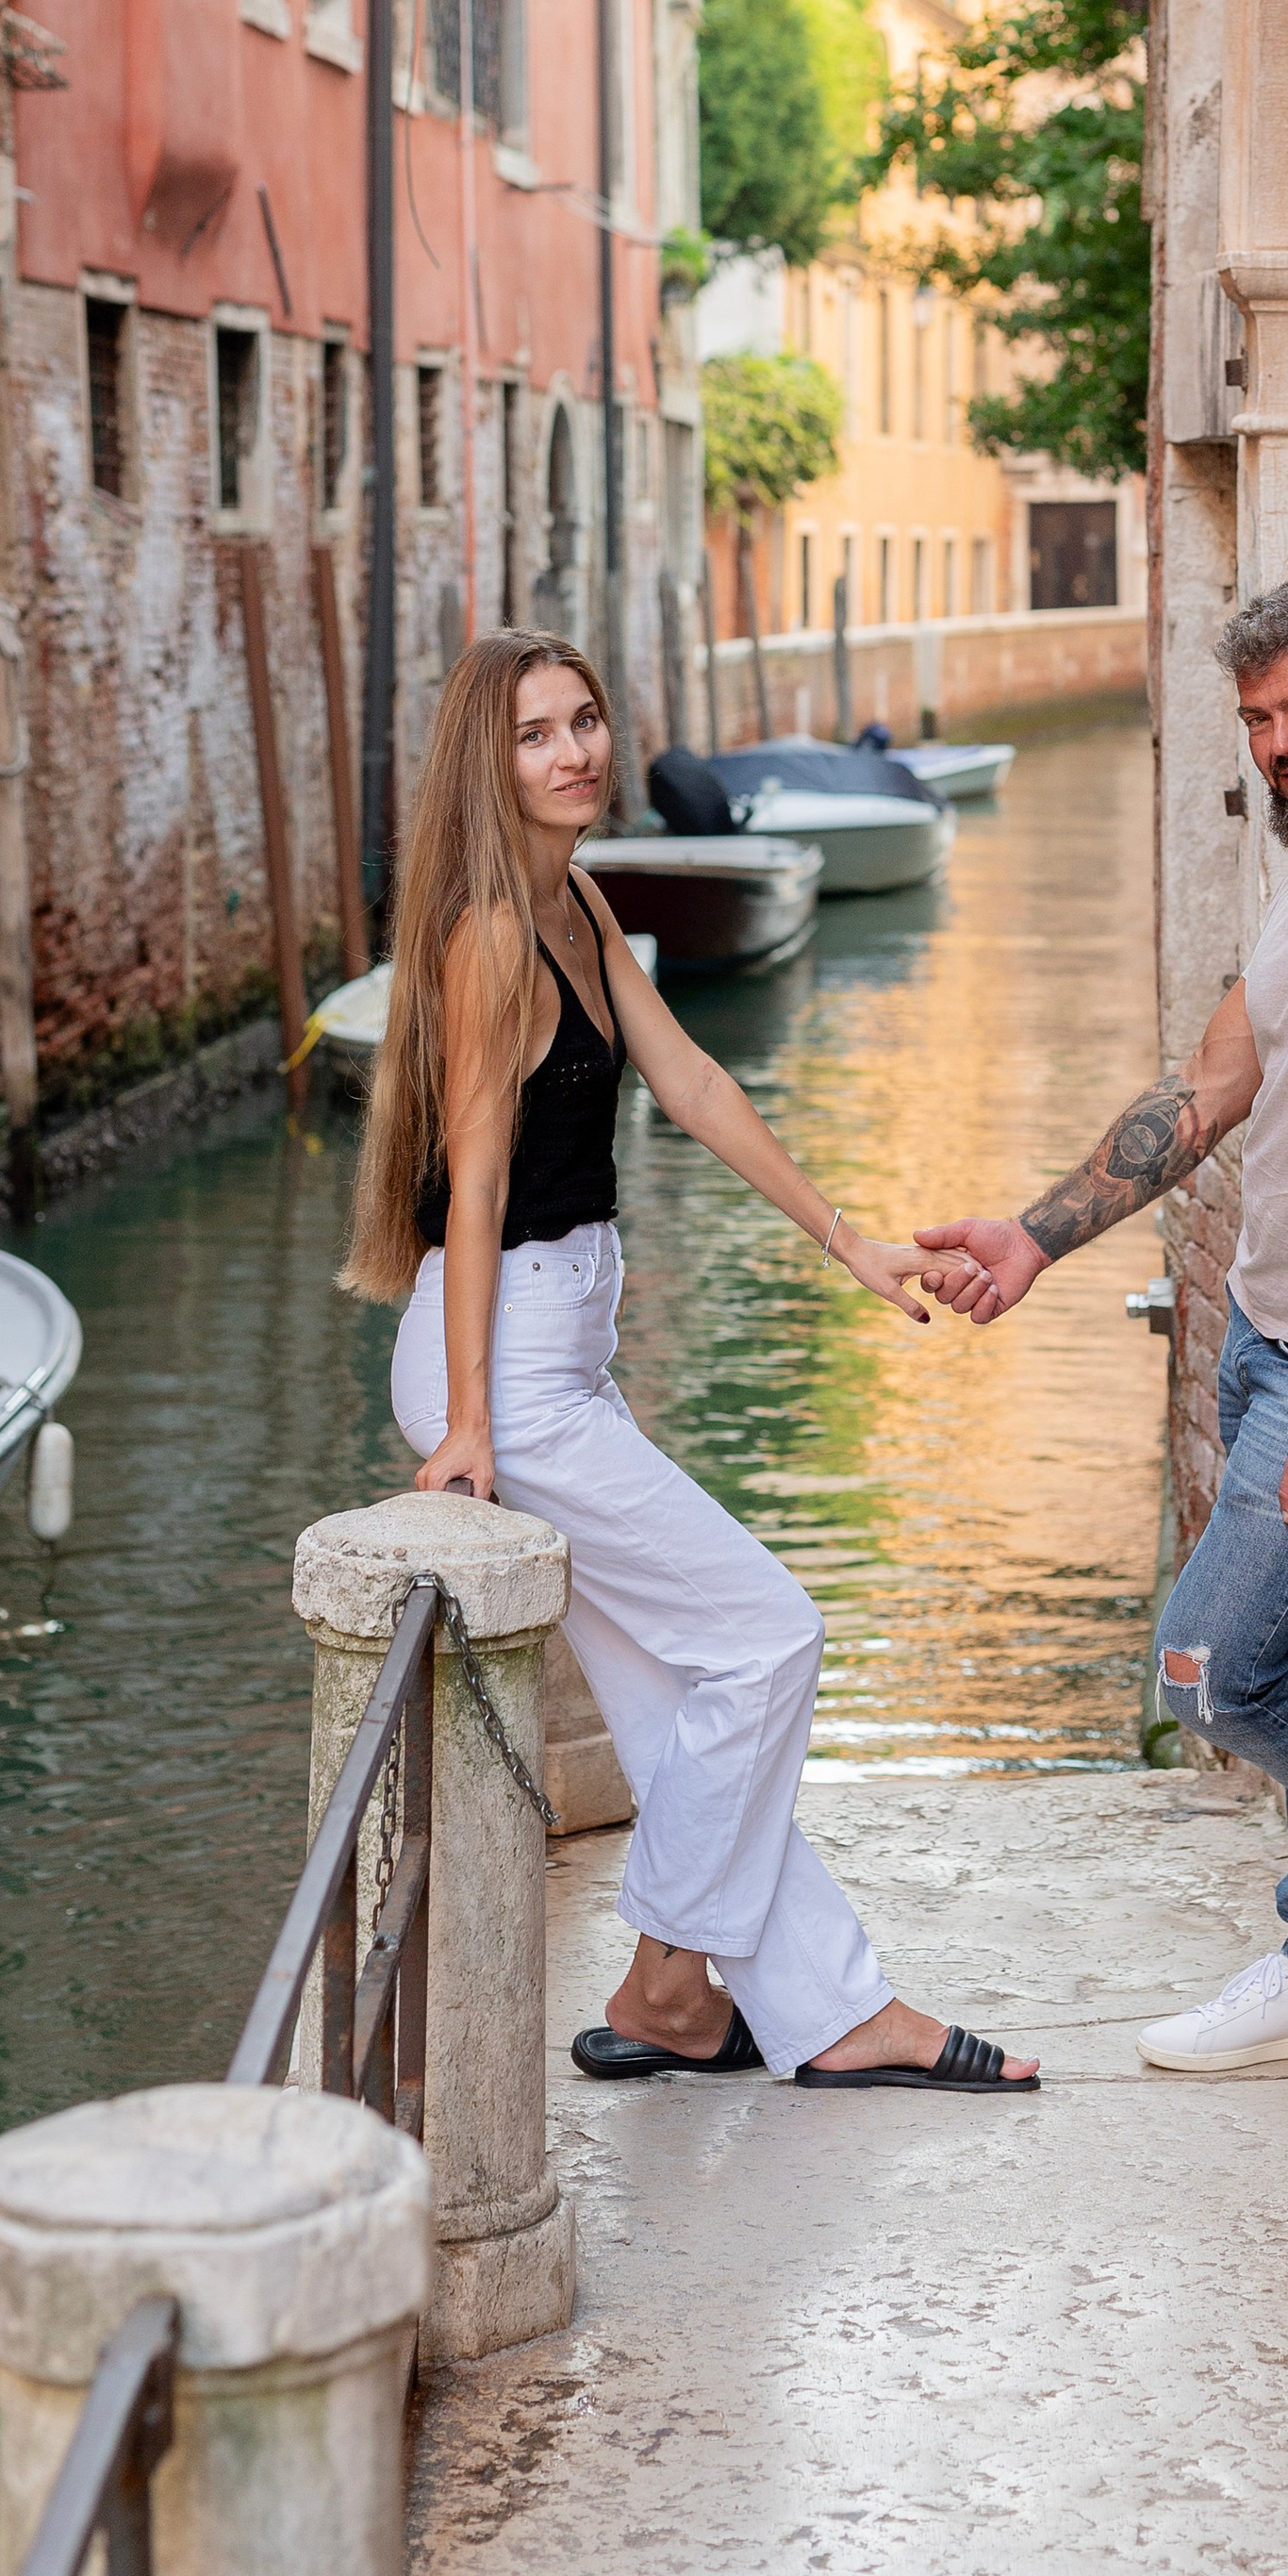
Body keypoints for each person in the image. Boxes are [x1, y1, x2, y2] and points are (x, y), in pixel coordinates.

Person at [342, 628, 1035, 2098]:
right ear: (490, 760)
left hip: (558, 1356)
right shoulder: (484, 941)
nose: (575, 752)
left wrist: (848, 1242)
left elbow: (696, 1082)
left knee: (677, 1713)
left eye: (586, 720)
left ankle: (793, 2013)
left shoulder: (579, 905)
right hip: (507, 1370)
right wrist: (472, 1425)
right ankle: (671, 1969)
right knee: (771, 1634)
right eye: (536, 733)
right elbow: (469, 1190)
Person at [916, 573, 1288, 2071]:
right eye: (1262, 717)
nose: (1284, 741)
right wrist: (1035, 1236)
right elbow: (1206, 1093)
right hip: (1262, 1337)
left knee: (1212, 1666)